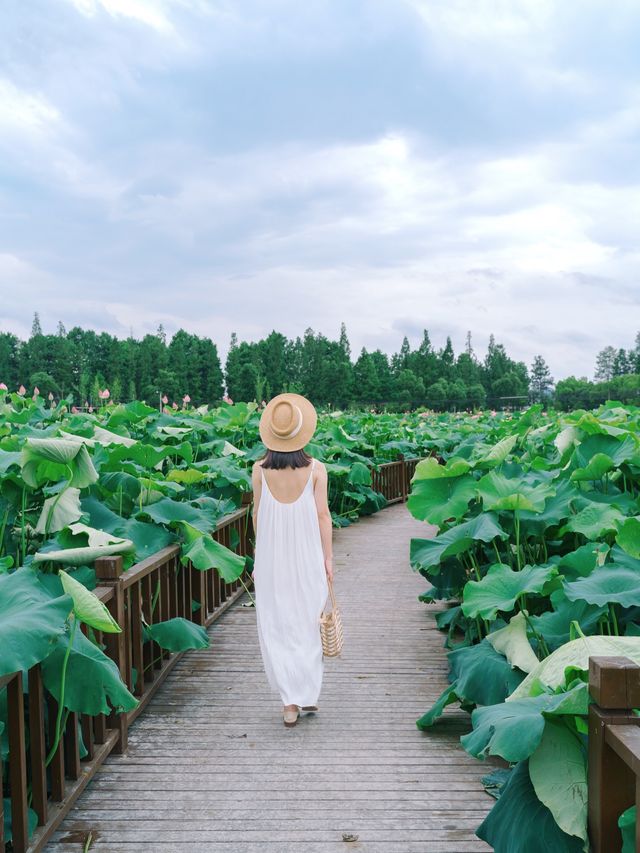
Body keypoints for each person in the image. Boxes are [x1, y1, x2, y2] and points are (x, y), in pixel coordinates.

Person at [251, 393, 333, 728]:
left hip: (271, 558)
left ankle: (290, 702)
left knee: (278, 624)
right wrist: (328, 557)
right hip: (308, 555)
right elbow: (323, 516)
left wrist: (259, 556)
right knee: (307, 622)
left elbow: (258, 514)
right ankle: (306, 693)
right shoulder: (317, 469)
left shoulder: (258, 470)